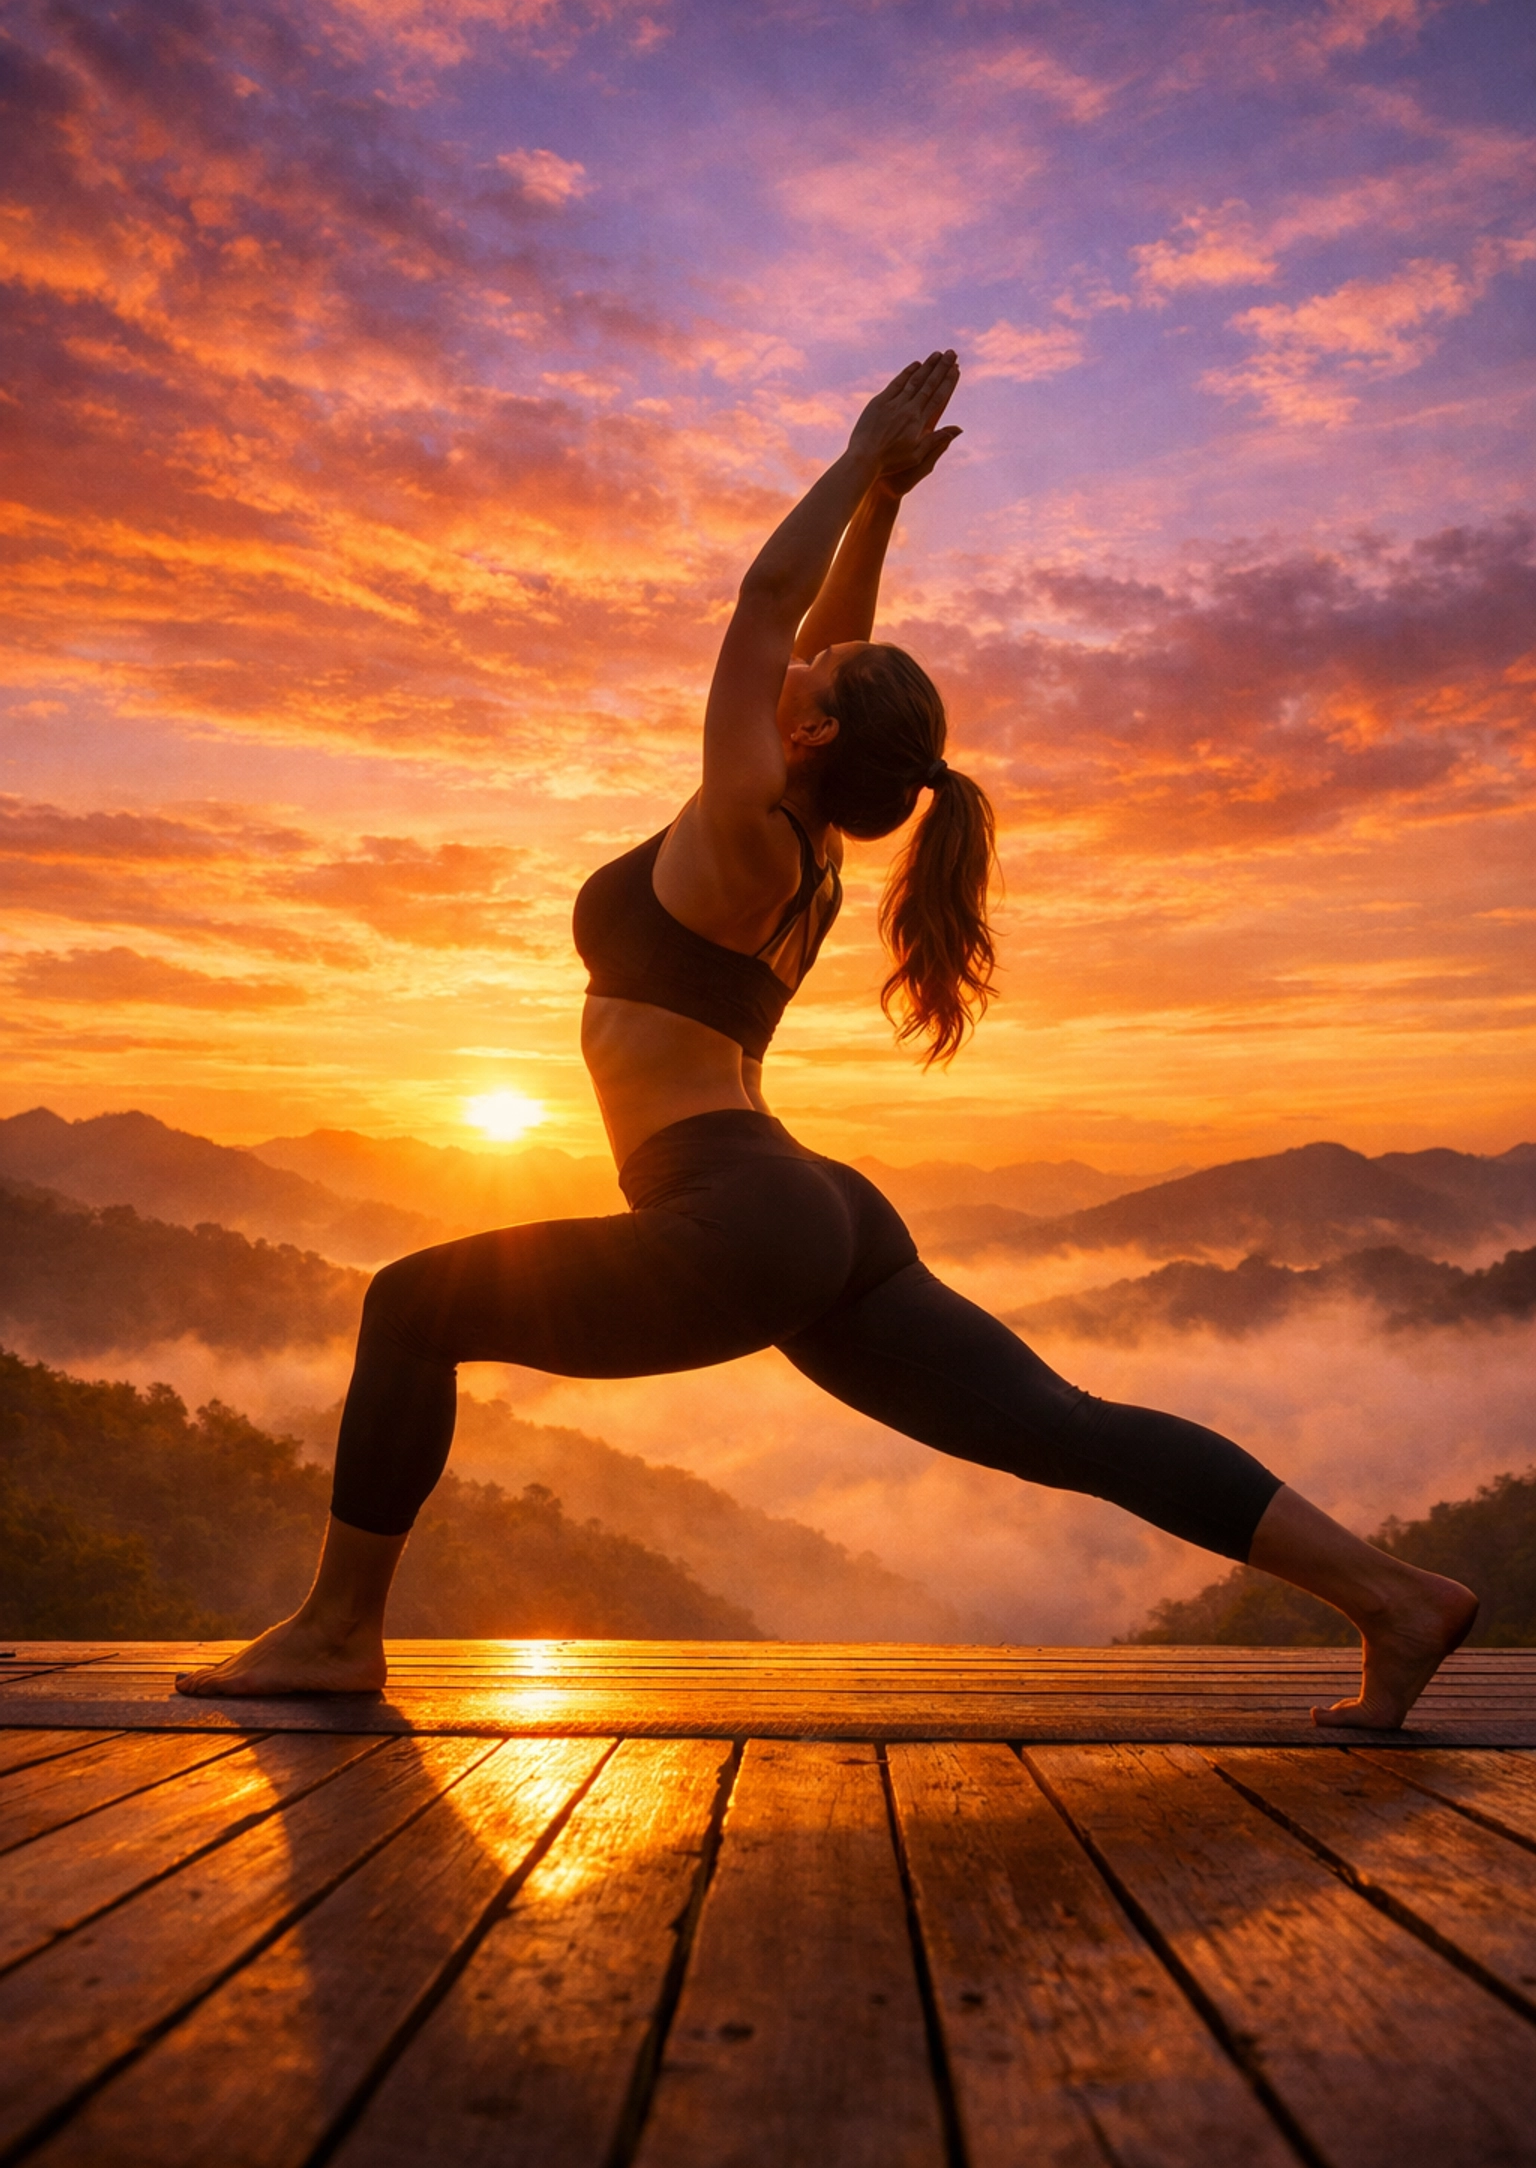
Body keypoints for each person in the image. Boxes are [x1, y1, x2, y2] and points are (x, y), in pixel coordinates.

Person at [177, 352, 1477, 1728]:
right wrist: (886, 504)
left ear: (811, 726)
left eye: (819, 675)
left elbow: (766, 603)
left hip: (735, 1216)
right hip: (815, 1214)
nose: (801, 662)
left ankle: (335, 1633)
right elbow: (823, 635)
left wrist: (858, 453)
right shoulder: (803, 847)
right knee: (1065, 1430)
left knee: (409, 1304)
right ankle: (1394, 1596)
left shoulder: (745, 827)